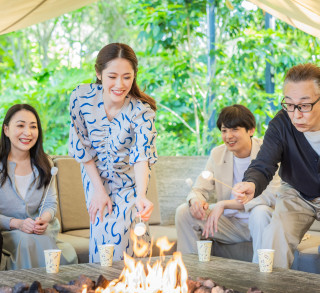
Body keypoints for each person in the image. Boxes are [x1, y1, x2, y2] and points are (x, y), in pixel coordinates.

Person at [69, 43, 157, 263]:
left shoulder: (141, 111)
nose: (120, 84)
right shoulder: (81, 98)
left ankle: (140, 287)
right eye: (112, 76)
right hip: (95, 178)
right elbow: (82, 148)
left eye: (127, 77)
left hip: (130, 181)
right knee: (103, 240)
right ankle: (100, 289)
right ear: (99, 74)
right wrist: (98, 191)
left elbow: (141, 156)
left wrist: (141, 195)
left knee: (131, 233)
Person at [233, 63, 320, 269]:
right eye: (289, 104)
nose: (296, 114)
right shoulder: (281, 124)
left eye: (304, 105)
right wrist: (251, 184)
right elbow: (264, 162)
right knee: (274, 235)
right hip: (297, 193)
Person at [176, 105, 280, 263]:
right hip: (229, 224)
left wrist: (225, 204)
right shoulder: (218, 154)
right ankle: (189, 274)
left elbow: (271, 196)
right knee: (184, 211)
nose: (228, 136)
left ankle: (261, 282)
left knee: (260, 212)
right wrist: (195, 200)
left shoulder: (267, 152)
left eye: (235, 129)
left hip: (261, 222)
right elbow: (199, 188)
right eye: (224, 130)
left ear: (251, 130)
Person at [0, 104, 77, 270]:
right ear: (6, 130)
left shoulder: (45, 164)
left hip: (40, 231)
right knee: (27, 241)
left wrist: (44, 219)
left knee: (55, 246)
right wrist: (17, 223)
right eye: (20, 125)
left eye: (33, 126)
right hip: (7, 232)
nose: (27, 132)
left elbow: (50, 203)